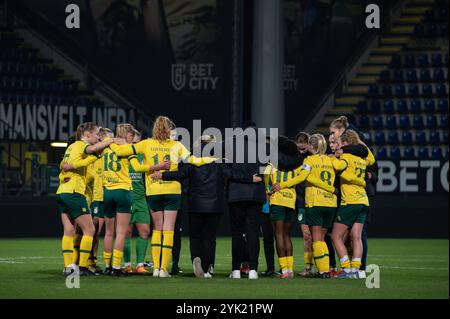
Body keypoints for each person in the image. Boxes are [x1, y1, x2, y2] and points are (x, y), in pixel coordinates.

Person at [153, 134, 262, 278]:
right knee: (209, 238)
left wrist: (162, 175)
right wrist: (250, 178)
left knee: (196, 237)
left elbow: (180, 174)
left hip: (196, 204)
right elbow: (232, 174)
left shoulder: (192, 161)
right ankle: (206, 268)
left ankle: (196, 259)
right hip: (215, 205)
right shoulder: (218, 161)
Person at [106, 116, 193, 278]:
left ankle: (155, 269)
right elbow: (192, 161)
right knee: (168, 230)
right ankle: (163, 269)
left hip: (153, 191)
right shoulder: (176, 145)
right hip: (172, 190)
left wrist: (113, 141)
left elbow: (120, 151)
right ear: (169, 130)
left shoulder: (145, 144)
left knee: (156, 230)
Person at [273, 134, 342, 278]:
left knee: (316, 238)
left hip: (316, 201)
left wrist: (282, 184)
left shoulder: (308, 161)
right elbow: (342, 166)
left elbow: (300, 177)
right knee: (322, 238)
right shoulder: (331, 160)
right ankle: (328, 269)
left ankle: (323, 271)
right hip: (330, 202)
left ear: (311, 146)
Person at [57, 122, 114, 276]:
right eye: (96, 134)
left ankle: (68, 266)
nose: (98, 138)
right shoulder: (81, 145)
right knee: (89, 230)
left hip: (62, 191)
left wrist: (91, 159)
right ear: (87, 135)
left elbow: (65, 166)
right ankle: (82, 266)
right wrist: (109, 140)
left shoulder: (70, 148)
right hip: (75, 192)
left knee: (68, 230)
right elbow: (93, 148)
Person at [331, 130, 375, 279]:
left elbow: (337, 166)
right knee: (356, 237)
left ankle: (346, 269)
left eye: (340, 143)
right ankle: (357, 270)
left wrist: (331, 157)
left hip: (350, 201)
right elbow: (371, 159)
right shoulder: (362, 159)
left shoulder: (346, 157)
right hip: (363, 200)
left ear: (345, 143)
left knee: (336, 237)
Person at [123, 129, 152, 274]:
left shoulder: (143, 156)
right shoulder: (122, 155)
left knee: (145, 231)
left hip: (141, 199)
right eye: (134, 142)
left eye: (138, 143)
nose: (136, 145)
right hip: (127, 197)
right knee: (126, 232)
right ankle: (126, 265)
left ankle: (140, 265)